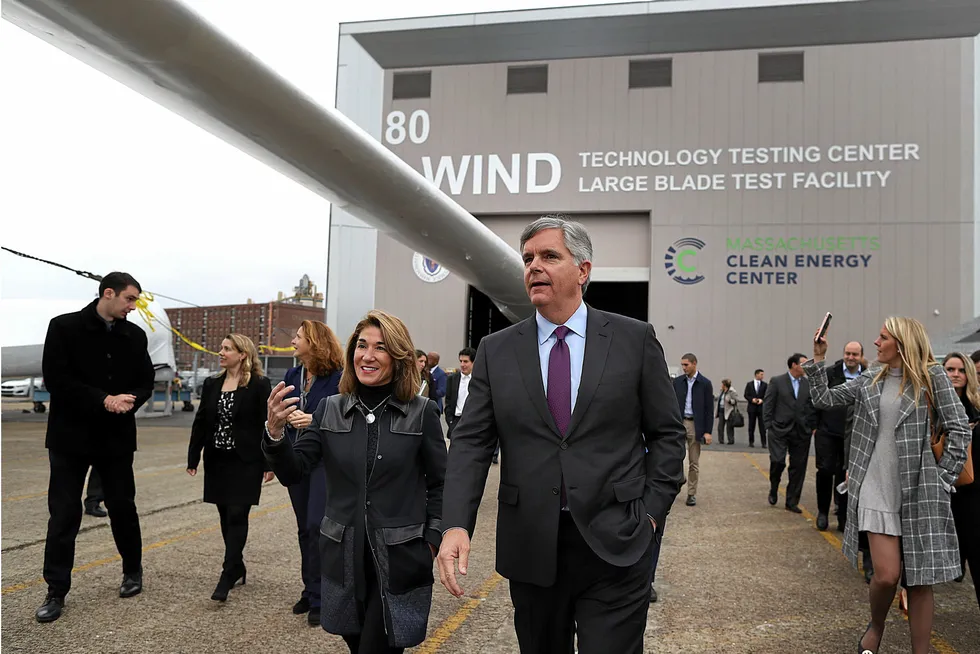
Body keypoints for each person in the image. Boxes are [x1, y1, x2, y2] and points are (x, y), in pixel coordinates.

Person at [437, 214, 686, 654]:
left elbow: (667, 434)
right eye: (528, 258)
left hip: (617, 541)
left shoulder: (633, 340)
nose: (534, 266)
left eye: (550, 256)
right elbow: (471, 444)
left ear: (583, 270)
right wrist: (456, 523)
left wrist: (650, 514)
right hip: (531, 545)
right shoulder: (497, 350)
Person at [264, 310, 447, 653]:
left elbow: (441, 484)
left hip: (399, 559)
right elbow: (295, 470)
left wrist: (432, 542)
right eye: (362, 345)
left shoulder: (421, 412)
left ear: (399, 357)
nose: (368, 355)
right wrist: (274, 433)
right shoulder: (330, 408)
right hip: (343, 558)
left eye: (380, 347)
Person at [805, 317, 971, 654]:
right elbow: (824, 399)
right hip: (875, 485)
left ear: (902, 342)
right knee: (885, 575)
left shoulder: (932, 377)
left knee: (920, 579)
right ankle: (876, 626)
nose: (876, 343)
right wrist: (819, 357)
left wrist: (943, 478)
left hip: (919, 490)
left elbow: (959, 427)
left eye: (882, 337)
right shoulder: (871, 377)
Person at [35, 272, 155, 623]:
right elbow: (56, 380)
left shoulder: (135, 336)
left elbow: (145, 381)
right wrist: (103, 399)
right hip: (69, 439)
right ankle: (56, 590)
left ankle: (132, 571)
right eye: (129, 299)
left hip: (116, 438)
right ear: (108, 293)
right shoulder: (64, 327)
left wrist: (129, 400)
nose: (133, 307)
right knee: (64, 514)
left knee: (123, 507)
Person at [187, 334, 273, 601]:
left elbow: (267, 424)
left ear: (242, 354)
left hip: (246, 461)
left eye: (227, 349)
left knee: (237, 513)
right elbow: (202, 421)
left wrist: (269, 462)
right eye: (221, 348)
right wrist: (193, 457)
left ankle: (227, 572)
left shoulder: (259, 384)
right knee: (225, 515)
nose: (221, 353)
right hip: (217, 460)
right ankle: (237, 565)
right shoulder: (212, 384)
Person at [282, 321, 344, 624]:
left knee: (317, 524)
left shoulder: (337, 378)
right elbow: (279, 409)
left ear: (315, 342)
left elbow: (345, 415)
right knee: (303, 529)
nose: (293, 340)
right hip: (296, 457)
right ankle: (309, 590)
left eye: (298, 336)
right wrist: (285, 416)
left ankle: (322, 595)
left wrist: (314, 419)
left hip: (324, 460)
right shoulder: (292, 375)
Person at [810, 341, 865, 532]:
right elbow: (815, 397)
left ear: (861, 356)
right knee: (825, 471)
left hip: (853, 434)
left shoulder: (867, 376)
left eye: (855, 354)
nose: (850, 357)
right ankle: (822, 512)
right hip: (828, 431)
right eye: (848, 353)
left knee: (846, 475)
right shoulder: (830, 373)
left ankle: (843, 517)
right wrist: (814, 426)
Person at [943, 352, 979, 610]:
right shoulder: (932, 405)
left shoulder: (976, 407)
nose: (955, 374)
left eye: (961, 370)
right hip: (942, 484)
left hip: (971, 486)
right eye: (950, 369)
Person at [763, 353, 815, 513]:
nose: (808, 367)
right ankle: (774, 487)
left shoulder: (808, 384)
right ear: (794, 365)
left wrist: (811, 426)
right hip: (779, 429)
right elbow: (768, 403)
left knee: (798, 467)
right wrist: (769, 425)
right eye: (804, 364)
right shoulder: (777, 381)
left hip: (801, 431)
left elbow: (811, 406)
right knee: (778, 461)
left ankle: (792, 501)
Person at [672, 354, 713, 507]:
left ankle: (691, 493)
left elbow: (709, 409)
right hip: (679, 423)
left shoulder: (705, 383)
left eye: (686, 365)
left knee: (693, 462)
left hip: (696, 425)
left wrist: (707, 431)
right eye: (682, 365)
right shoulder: (677, 382)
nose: (683, 368)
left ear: (694, 364)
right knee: (675, 458)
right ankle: (678, 481)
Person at [444, 347, 476, 442]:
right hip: (456, 421)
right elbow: (448, 402)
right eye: (461, 361)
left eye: (465, 361)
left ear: (473, 362)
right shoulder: (452, 379)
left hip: (473, 422)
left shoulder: (479, 380)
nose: (462, 365)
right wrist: (450, 421)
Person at [743, 369, 768, 447]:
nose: (762, 376)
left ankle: (764, 443)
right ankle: (751, 442)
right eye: (761, 374)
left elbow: (767, 395)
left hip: (761, 408)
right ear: (756, 374)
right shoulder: (749, 384)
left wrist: (762, 400)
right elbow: (746, 395)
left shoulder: (765, 385)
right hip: (752, 408)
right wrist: (752, 399)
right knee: (751, 426)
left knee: (762, 427)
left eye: (763, 374)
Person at [716, 379, 740, 446]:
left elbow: (736, 400)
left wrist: (730, 401)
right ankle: (721, 440)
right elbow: (719, 397)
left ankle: (731, 440)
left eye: (722, 384)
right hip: (721, 410)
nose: (721, 385)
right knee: (720, 426)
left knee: (729, 426)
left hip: (729, 411)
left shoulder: (732, 391)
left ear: (725, 385)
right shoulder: (721, 391)